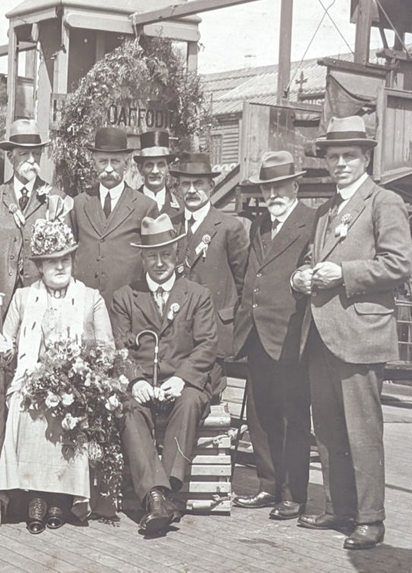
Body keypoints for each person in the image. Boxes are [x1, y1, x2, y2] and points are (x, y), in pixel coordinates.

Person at [291, 116, 412, 550]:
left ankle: (371, 518)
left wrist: (343, 272)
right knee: (327, 428)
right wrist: (301, 278)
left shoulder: (384, 203)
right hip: (321, 332)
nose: (340, 163)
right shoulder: (326, 210)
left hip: (359, 333)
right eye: (333, 156)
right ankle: (339, 508)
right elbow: (309, 260)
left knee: (362, 430)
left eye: (349, 156)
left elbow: (400, 265)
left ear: (366, 158)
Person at [0, 218, 114, 533]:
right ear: (40, 266)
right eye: (51, 262)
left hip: (78, 382)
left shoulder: (91, 298)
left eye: (65, 259)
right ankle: (35, 497)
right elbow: (5, 345)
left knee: (71, 408)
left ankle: (60, 499)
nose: (60, 266)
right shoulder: (23, 297)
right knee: (23, 404)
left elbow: (106, 349)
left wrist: (83, 374)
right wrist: (3, 349)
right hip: (33, 379)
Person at [110, 214, 217, 537]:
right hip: (142, 383)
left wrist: (181, 378)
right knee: (128, 407)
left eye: (165, 254)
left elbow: (207, 345)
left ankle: (162, 493)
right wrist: (136, 379)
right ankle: (159, 498)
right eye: (152, 255)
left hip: (183, 383)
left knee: (188, 403)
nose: (159, 262)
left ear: (177, 255)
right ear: (142, 257)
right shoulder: (125, 296)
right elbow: (119, 348)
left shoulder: (197, 295)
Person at [231, 151, 314, 519]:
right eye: (268, 188)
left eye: (280, 186)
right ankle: (267, 485)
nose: (274, 194)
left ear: (295, 185)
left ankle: (293, 494)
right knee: (261, 416)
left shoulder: (311, 222)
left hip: (290, 335)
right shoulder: (259, 224)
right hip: (257, 335)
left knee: (292, 417)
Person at [0, 119, 66, 316]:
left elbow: (62, 257)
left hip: (42, 300)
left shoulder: (54, 198)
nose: (32, 160)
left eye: (36, 154)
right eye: (24, 154)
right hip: (0, 301)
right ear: (10, 157)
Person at [172, 152, 248, 394]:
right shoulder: (169, 225)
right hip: (175, 335)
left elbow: (243, 283)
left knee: (209, 397)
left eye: (199, 183)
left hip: (213, 332)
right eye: (185, 184)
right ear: (178, 188)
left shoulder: (229, 227)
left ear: (211, 186)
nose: (192, 190)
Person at [69, 126, 157, 307]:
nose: (109, 168)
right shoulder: (78, 204)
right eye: (103, 161)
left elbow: (152, 259)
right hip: (83, 303)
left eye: (115, 161)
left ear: (127, 162)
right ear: (93, 161)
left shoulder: (145, 206)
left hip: (128, 305)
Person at [134, 129, 183, 222]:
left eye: (160, 165)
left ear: (168, 168)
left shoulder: (181, 209)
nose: (155, 171)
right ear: (140, 169)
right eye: (149, 165)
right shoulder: (129, 205)